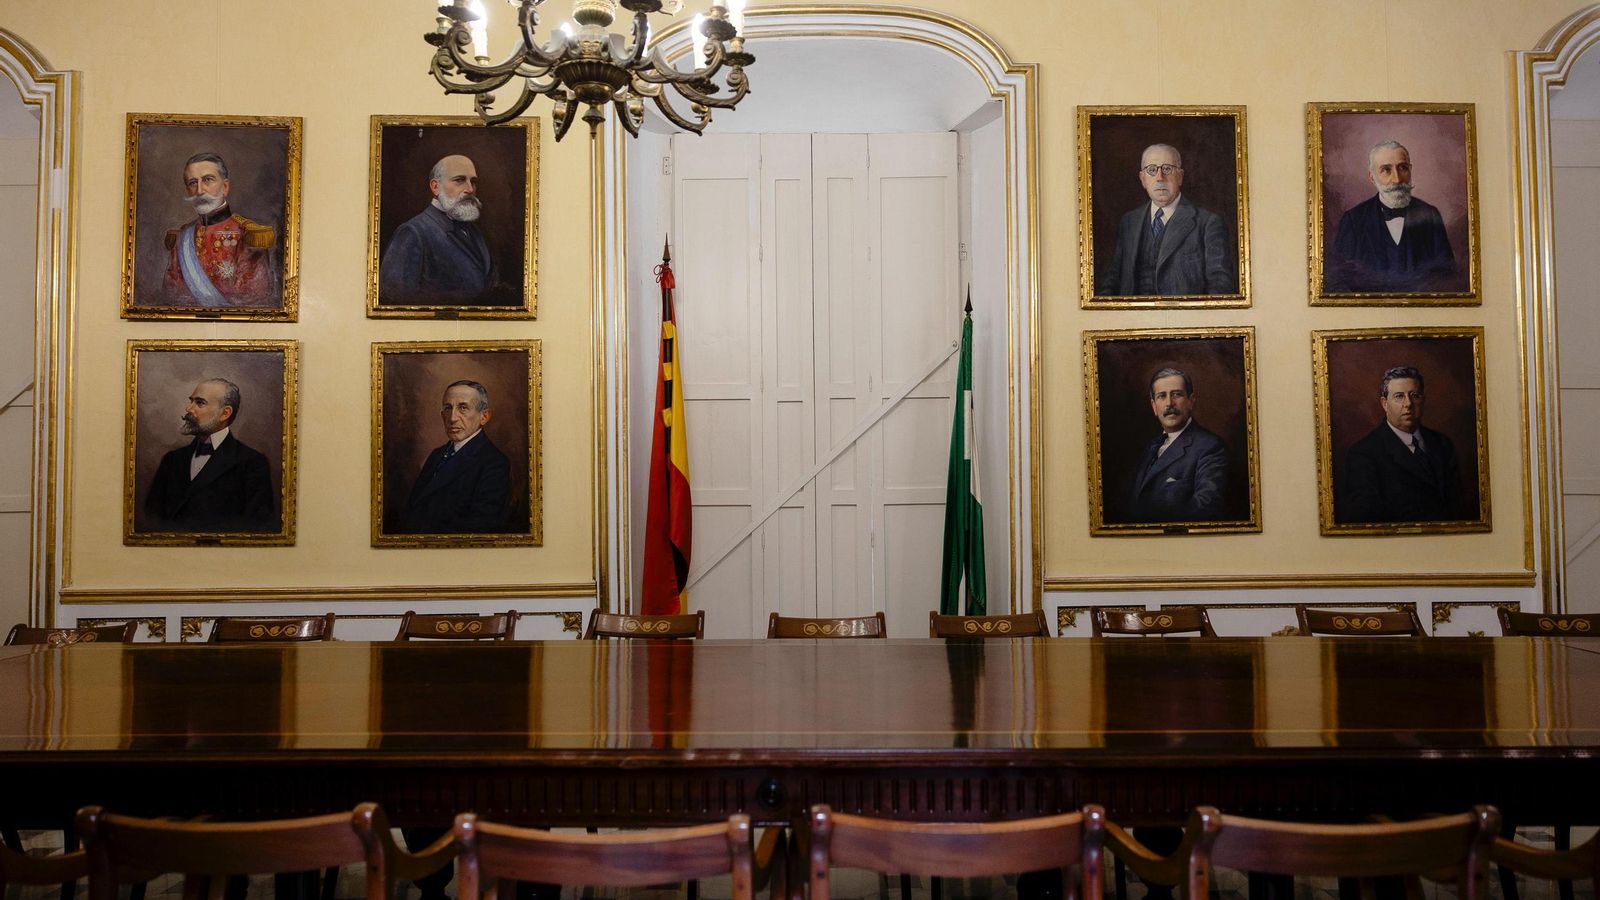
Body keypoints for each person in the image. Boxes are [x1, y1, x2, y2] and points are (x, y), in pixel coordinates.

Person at [1096, 143, 1235, 296]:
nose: (1160, 177)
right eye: (1152, 170)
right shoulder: (1129, 222)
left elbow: (1221, 287)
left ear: (1180, 176)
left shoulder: (1208, 223)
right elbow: (1113, 278)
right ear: (1143, 179)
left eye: (1167, 169)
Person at [143, 378, 277, 532]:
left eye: (200, 403)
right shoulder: (172, 460)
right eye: (191, 401)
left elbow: (258, 525)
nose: (188, 408)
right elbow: (152, 517)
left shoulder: (252, 463)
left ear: (224, 413)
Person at [1327, 140, 1457, 293]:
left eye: (1403, 168)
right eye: (1386, 170)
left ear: (1410, 170)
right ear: (1372, 177)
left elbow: (1447, 277)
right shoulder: (1353, 220)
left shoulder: (1431, 215)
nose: (1397, 179)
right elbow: (1339, 281)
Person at [1340, 366, 1466, 523]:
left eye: (1414, 395)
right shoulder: (1363, 453)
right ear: (1385, 403)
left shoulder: (1443, 444)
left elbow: (1459, 506)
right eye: (1399, 396)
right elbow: (1367, 518)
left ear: (1423, 399)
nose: (1408, 404)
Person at [378, 154, 499, 304]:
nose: (469, 189)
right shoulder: (412, 233)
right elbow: (395, 300)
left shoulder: (473, 231)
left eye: (473, 181)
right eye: (459, 180)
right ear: (435, 187)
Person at [162, 152, 277, 306]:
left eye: (208, 180)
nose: (200, 190)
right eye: (192, 183)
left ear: (225, 187)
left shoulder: (248, 234)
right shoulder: (182, 237)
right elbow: (172, 295)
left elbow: (254, 297)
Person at [399, 379, 513, 533]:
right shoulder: (437, 455)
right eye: (448, 408)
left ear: (484, 416)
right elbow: (412, 510)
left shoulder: (494, 463)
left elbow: (481, 527)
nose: (452, 418)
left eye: (463, 407)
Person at [1127, 367, 1230, 522]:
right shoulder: (1151, 448)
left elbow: (1206, 508)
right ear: (1154, 406)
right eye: (1162, 396)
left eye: (1177, 394)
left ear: (1191, 401)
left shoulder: (1210, 447)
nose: (1169, 403)